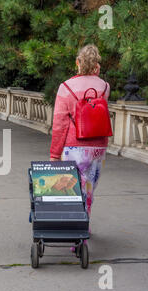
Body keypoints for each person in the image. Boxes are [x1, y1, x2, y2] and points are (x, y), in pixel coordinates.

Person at [50, 44, 110, 240]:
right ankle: (85, 226)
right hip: (98, 147)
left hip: (74, 147)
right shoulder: (104, 87)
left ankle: (74, 229)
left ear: (77, 63)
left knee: (73, 187)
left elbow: (59, 124)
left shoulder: (65, 87)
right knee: (89, 188)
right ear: (97, 65)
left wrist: (54, 154)